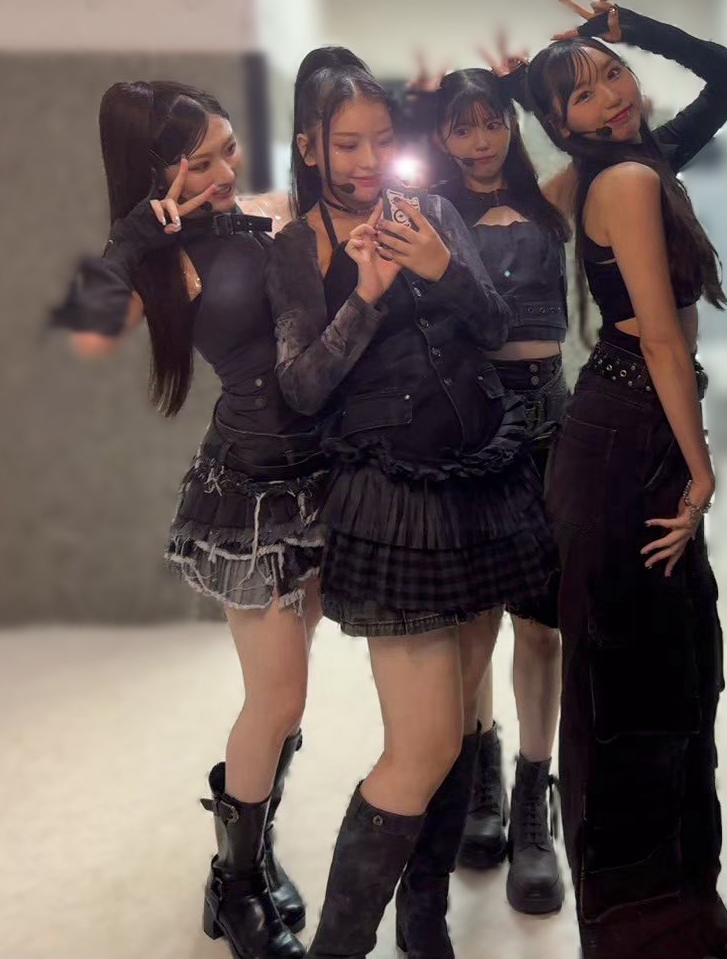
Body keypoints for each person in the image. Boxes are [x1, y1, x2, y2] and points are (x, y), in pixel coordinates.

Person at [50, 79, 395, 959]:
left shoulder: (271, 211)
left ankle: (254, 845)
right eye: (199, 162)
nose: (223, 173)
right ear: (154, 171)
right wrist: (132, 236)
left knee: (285, 693)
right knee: (279, 697)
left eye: (228, 149)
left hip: (324, 475)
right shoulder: (165, 262)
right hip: (251, 495)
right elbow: (87, 332)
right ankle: (233, 883)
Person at [279, 48, 558, 959]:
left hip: (480, 484)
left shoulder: (431, 209)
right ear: (310, 146)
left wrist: (441, 266)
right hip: (393, 503)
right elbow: (303, 385)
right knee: (425, 741)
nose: (366, 161)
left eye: (380, 139)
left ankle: (425, 919)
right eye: (345, 144)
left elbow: (494, 325)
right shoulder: (298, 245)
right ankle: (339, 945)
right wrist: (365, 292)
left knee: (462, 722)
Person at [521, 0, 727, 959]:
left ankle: (684, 911)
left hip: (630, 425)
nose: (612, 95)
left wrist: (631, 25)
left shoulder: (638, 160)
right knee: (636, 683)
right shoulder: (619, 180)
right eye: (583, 94)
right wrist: (702, 473)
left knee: (672, 673)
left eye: (612, 74)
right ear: (560, 123)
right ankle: (642, 928)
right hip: (631, 435)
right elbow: (661, 338)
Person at [403, 56, 570, 917]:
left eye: (492, 120)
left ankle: (536, 803)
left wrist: (536, 74)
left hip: (553, 420)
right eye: (460, 125)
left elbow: (660, 139)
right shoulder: (432, 209)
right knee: (473, 622)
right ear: (440, 133)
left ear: (513, 122)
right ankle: (483, 776)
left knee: (541, 624)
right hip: (473, 419)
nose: (479, 139)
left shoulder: (555, 196)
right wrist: (419, 98)